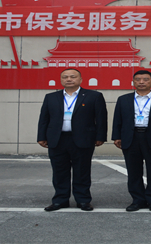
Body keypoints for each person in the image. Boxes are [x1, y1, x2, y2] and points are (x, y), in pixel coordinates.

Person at [37, 68, 107, 212]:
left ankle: (83, 200)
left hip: (83, 138)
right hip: (57, 139)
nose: (69, 79)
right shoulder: (51, 97)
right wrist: (41, 136)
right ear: (61, 80)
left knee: (82, 171)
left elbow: (101, 118)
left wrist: (100, 137)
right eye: (65, 77)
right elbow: (44, 118)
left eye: (73, 76)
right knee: (59, 171)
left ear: (80, 79)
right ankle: (60, 200)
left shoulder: (94, 96)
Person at [112, 70, 151, 212]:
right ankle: (138, 200)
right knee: (133, 171)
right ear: (133, 82)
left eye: (146, 79)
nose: (141, 82)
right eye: (138, 79)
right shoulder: (123, 99)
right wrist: (116, 136)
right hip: (131, 137)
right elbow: (117, 119)